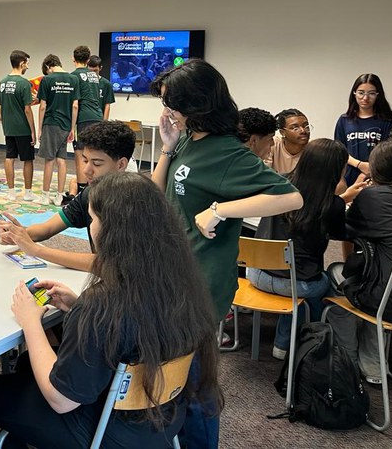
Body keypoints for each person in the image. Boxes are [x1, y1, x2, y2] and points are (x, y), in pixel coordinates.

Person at [0, 173, 222, 449]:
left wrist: (31, 321)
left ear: (113, 230)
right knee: (24, 367)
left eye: (93, 220)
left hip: (105, 432)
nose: (91, 228)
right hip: (162, 421)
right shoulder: (180, 280)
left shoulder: (104, 301)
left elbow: (61, 400)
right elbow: (132, 333)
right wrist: (76, 308)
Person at [149, 59, 302, 447]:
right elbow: (155, 196)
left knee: (196, 383)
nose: (168, 113)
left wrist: (221, 209)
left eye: (172, 104)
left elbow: (290, 196)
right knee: (172, 377)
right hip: (173, 275)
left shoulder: (228, 154)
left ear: (198, 105)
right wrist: (167, 150)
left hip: (202, 284)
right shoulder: (186, 138)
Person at [248, 139, 362, 360]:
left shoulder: (279, 182)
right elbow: (341, 234)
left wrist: (341, 198)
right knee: (327, 283)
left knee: (295, 279)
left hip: (256, 274)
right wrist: (344, 200)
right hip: (297, 283)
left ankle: (283, 343)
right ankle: (314, 343)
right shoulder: (331, 204)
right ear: (335, 169)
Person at [0, 120, 135, 272]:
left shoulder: (132, 203)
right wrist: (18, 234)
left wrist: (36, 250)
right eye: (85, 160)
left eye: (96, 163)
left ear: (121, 164)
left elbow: (108, 264)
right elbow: (48, 228)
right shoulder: (90, 193)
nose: (86, 170)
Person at [329, 140, 392, 385]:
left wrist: (349, 199)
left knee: (338, 279)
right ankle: (374, 367)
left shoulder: (373, 196)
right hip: (389, 291)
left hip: (390, 302)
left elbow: (343, 231)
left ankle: (347, 363)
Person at [335, 73, 392, 185]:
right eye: (361, 93)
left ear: (378, 95)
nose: (365, 98)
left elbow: (389, 152)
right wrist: (360, 165)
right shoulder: (344, 120)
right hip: (349, 176)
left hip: (379, 176)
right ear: (354, 93)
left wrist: (368, 172)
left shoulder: (388, 120)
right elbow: (339, 150)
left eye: (371, 93)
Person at [35, 54, 79, 206]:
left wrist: (39, 128)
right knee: (61, 160)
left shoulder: (47, 80)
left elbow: (42, 106)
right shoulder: (74, 79)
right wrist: (72, 128)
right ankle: (59, 196)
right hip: (66, 125)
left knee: (49, 160)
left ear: (48, 67)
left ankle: (45, 195)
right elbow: (75, 106)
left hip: (51, 123)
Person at [0, 50, 35, 202]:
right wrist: (33, 130)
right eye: (26, 63)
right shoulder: (24, 83)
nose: (27, 66)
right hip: (23, 128)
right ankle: (27, 193)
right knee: (27, 160)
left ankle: (11, 192)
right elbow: (27, 109)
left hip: (9, 128)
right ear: (21, 63)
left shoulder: (2, 83)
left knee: (9, 157)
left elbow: (1, 107)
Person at [72, 46, 103, 192]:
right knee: (95, 153)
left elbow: (75, 104)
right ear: (88, 58)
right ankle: (94, 188)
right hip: (98, 116)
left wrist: (71, 127)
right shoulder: (94, 76)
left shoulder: (74, 76)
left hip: (84, 118)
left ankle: (81, 190)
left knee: (80, 154)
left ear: (73, 59)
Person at [269, 108, 311, 174]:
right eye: (295, 128)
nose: (303, 131)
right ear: (282, 132)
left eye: (306, 126)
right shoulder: (272, 144)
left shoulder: (313, 150)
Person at [87, 55, 114, 120]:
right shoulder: (84, 82)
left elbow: (107, 105)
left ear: (100, 68)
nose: (93, 73)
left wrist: (104, 123)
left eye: (95, 71)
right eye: (90, 71)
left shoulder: (106, 84)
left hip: (99, 118)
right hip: (86, 118)